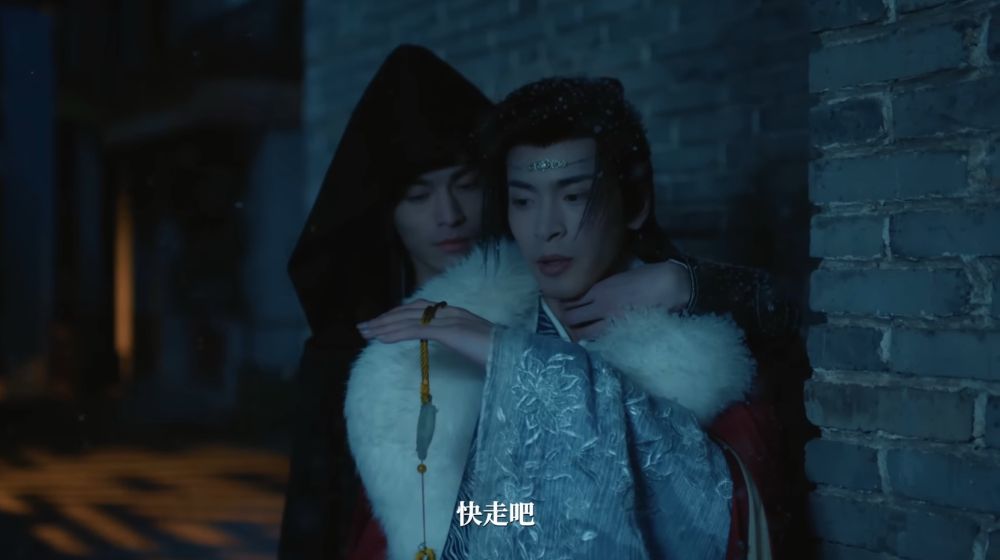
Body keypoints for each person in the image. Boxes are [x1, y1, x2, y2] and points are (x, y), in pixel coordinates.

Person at [281, 47, 760, 560]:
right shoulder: (416, 365)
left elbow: (700, 515)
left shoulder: (700, 360)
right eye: (523, 200)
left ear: (635, 201)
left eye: (573, 196)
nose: (546, 227)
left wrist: (517, 364)